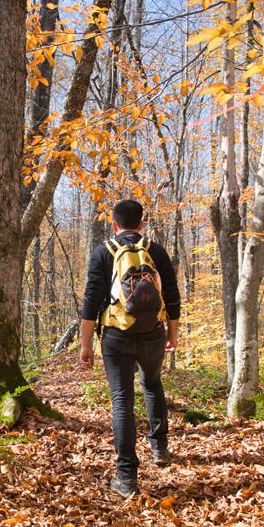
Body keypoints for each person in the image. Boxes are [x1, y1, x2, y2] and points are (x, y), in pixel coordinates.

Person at [78, 199, 181, 498]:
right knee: (152, 384)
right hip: (153, 333)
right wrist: (172, 335)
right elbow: (172, 296)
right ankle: (160, 447)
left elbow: (90, 303)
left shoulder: (104, 252)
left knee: (122, 400)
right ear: (142, 223)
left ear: (114, 224)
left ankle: (126, 478)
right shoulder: (156, 251)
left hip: (115, 336)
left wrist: (86, 345)